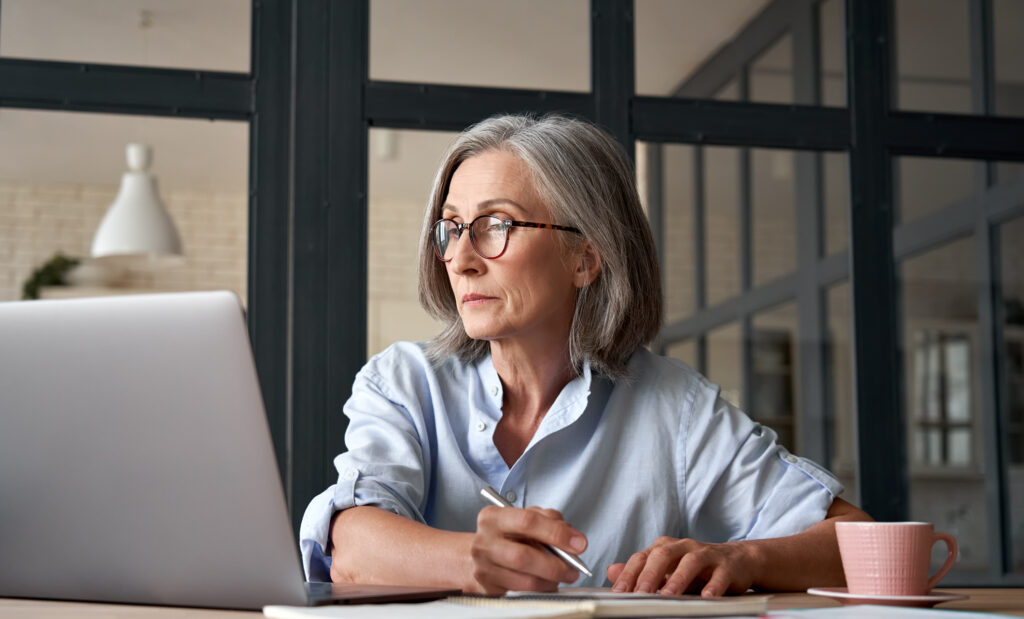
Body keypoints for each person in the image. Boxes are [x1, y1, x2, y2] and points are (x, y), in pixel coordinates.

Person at [299, 113, 871, 596]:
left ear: (585, 258)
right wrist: (473, 560)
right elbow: (350, 549)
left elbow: (861, 544)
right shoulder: (403, 382)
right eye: (451, 228)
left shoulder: (678, 409)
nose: (462, 259)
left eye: (495, 225)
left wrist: (743, 559)